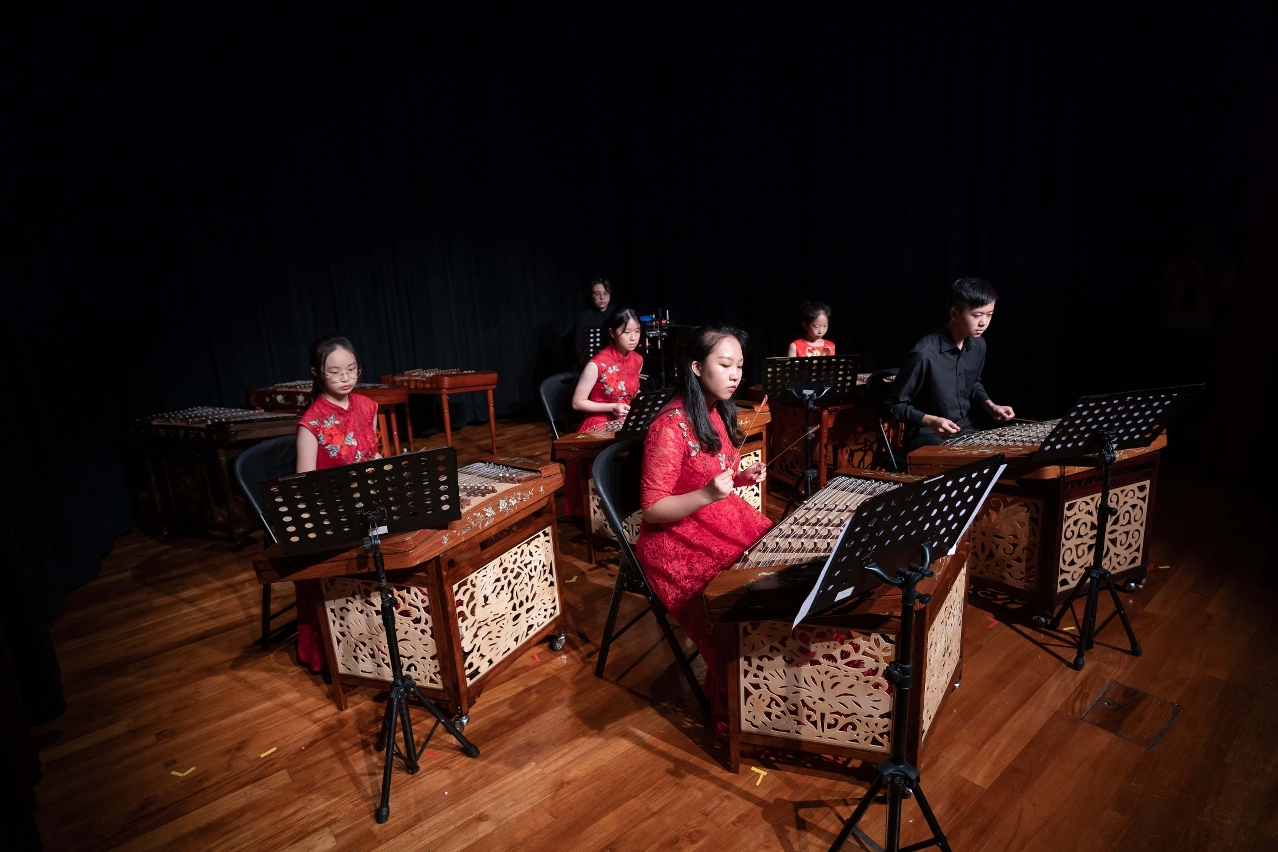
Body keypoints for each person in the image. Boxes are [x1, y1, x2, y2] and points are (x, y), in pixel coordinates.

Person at [635, 324, 771, 730]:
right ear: (696, 367)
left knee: (773, 565)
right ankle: (747, 700)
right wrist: (709, 494)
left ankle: (775, 675)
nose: (735, 375)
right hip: (672, 537)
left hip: (715, 513)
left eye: (739, 366)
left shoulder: (716, 410)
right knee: (739, 596)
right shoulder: (669, 426)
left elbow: (710, 472)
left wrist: (740, 478)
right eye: (725, 365)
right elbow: (652, 509)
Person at [293, 333, 382, 672]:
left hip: (368, 504)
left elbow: (371, 455)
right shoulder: (311, 423)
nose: (345, 378)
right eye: (334, 372)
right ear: (316, 373)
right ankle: (345, 647)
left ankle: (391, 637)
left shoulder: (368, 406)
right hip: (333, 511)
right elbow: (305, 483)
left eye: (351, 369)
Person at [886, 277, 1015, 452]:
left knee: (1002, 455)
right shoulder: (924, 354)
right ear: (954, 314)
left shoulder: (979, 345)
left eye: (989, 314)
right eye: (977, 315)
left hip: (965, 428)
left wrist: (991, 406)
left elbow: (974, 383)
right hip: (927, 433)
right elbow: (894, 405)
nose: (984, 322)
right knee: (965, 461)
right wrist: (932, 421)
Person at [563, 307, 643, 517]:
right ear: (612, 332)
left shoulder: (637, 360)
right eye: (626, 332)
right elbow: (577, 403)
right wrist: (612, 407)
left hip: (626, 420)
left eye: (637, 331)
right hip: (599, 421)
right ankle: (601, 513)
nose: (633, 338)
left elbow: (633, 391)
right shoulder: (596, 363)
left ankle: (632, 505)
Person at [574, 278, 614, 366]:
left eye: (605, 293)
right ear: (592, 295)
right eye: (597, 294)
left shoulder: (616, 313)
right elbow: (579, 350)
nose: (602, 297)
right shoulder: (583, 318)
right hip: (593, 363)